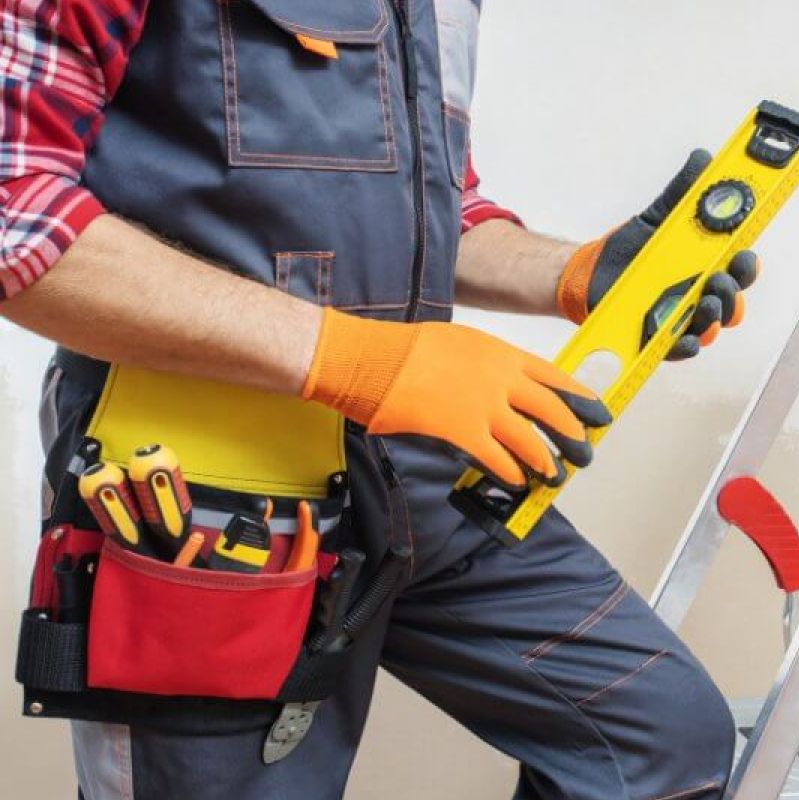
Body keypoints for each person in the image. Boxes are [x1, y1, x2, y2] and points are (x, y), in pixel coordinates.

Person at [1, 1, 758, 797]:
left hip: (414, 462)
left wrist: (577, 274)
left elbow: (427, 204)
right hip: (203, 496)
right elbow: (18, 219)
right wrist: (365, 363)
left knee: (659, 744)